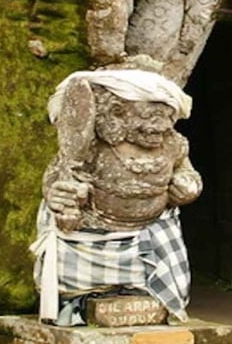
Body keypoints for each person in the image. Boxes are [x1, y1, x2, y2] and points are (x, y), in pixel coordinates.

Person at [32, 68, 201, 324]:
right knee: (76, 276)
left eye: (165, 117)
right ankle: (78, 304)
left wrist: (187, 186)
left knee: (152, 273)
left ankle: (146, 293)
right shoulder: (91, 148)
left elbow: (188, 173)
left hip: (148, 235)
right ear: (116, 115)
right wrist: (60, 194)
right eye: (149, 116)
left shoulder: (174, 145)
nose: (160, 126)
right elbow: (58, 177)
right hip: (93, 232)